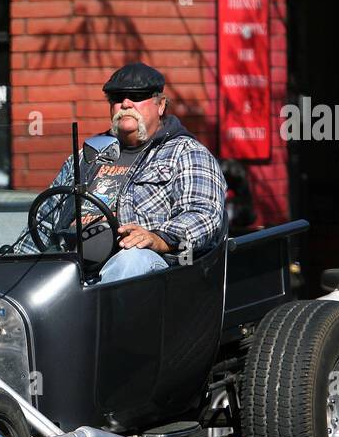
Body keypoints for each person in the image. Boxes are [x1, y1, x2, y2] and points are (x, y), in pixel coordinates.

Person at [20, 62, 226, 282]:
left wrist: (158, 238)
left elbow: (204, 214)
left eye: (137, 97)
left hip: (149, 271)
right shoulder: (85, 156)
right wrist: (15, 267)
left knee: (130, 260)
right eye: (117, 97)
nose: (126, 103)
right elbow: (44, 220)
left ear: (161, 105)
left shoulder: (186, 152)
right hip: (71, 265)